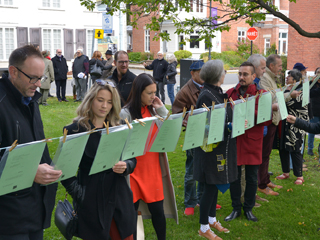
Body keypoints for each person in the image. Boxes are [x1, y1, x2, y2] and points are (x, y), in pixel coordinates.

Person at [0, 45, 62, 239]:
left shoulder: (30, 99)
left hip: (34, 207)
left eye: (41, 78)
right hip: (9, 217)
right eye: (32, 78)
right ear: (13, 72)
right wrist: (29, 171)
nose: (37, 84)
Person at [62, 79, 136, 240]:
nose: (104, 106)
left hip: (120, 198)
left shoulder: (120, 126)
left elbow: (132, 158)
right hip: (92, 200)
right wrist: (81, 195)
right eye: (100, 100)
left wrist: (126, 166)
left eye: (109, 102)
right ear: (91, 99)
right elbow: (65, 171)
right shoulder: (74, 130)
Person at [120, 73, 178, 240]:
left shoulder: (153, 109)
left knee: (158, 211)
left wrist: (161, 108)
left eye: (155, 92)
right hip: (134, 171)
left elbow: (169, 131)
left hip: (152, 169)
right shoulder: (126, 113)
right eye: (150, 93)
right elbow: (121, 144)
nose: (154, 96)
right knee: (132, 214)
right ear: (139, 92)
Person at [225, 62, 274, 222]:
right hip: (235, 141)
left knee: (252, 178)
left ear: (254, 76)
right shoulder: (230, 93)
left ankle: (248, 209)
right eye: (240, 74)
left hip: (253, 142)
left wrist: (247, 109)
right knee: (235, 177)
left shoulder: (262, 94)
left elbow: (266, 119)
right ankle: (236, 209)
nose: (241, 77)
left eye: (245, 74)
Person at [194, 60, 237, 240]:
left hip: (221, 148)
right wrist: (228, 125)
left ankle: (211, 219)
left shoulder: (218, 92)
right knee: (210, 188)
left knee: (216, 185)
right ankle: (203, 228)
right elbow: (205, 126)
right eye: (223, 71)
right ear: (218, 75)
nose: (225, 73)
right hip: (210, 151)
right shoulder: (206, 95)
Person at [172, 61, 208, 216]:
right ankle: (190, 203)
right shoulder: (185, 91)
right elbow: (176, 114)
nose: (204, 75)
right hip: (193, 135)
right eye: (201, 72)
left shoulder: (208, 85)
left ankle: (202, 199)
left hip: (207, 135)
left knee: (206, 170)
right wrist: (186, 118)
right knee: (192, 170)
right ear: (192, 73)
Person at [276, 69, 309, 185]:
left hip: (296, 126)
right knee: (283, 148)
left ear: (295, 80)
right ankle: (285, 172)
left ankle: (299, 175)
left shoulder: (301, 91)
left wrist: (284, 99)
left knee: (295, 150)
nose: (286, 78)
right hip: (284, 124)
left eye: (289, 77)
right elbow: (280, 101)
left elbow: (293, 103)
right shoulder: (286, 90)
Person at [247, 54, 268, 206]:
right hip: (250, 131)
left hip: (259, 129)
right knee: (248, 169)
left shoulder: (259, 83)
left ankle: (253, 194)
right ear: (254, 69)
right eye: (262, 68)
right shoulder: (249, 86)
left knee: (255, 166)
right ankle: (248, 197)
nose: (264, 71)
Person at [308, 67, 320, 156]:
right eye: (318, 72)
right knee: (312, 130)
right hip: (314, 110)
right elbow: (310, 93)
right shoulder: (311, 83)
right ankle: (310, 148)